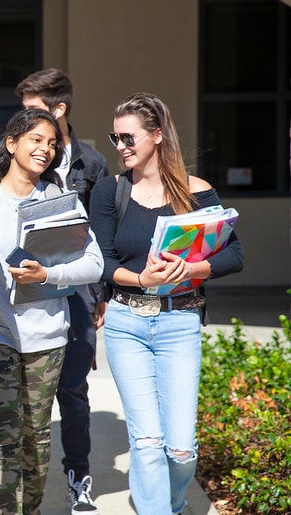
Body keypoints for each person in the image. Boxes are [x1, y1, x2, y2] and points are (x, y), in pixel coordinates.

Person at [89, 92, 244, 514]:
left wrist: (190, 271)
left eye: (128, 137)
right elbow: (101, 261)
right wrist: (141, 277)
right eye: (114, 137)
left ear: (156, 136)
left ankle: (170, 505)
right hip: (126, 321)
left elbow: (233, 255)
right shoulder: (110, 191)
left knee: (180, 450)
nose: (119, 146)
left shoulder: (197, 192)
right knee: (147, 442)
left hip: (180, 323)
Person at [0, 109, 103, 515]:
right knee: (6, 431)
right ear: (11, 143)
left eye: (52, 143)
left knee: (35, 435)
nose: (45, 150)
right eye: (36, 140)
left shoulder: (60, 201)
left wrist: (48, 273)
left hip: (46, 336)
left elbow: (94, 264)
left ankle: (29, 509)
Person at [15, 68, 109, 514]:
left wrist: (100, 295)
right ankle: (21, 488)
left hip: (77, 292)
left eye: (33, 109)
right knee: (25, 402)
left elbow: (102, 234)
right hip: (25, 291)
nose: (26, 122)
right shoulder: (14, 157)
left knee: (73, 392)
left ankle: (78, 480)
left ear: (59, 109)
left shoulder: (91, 163)